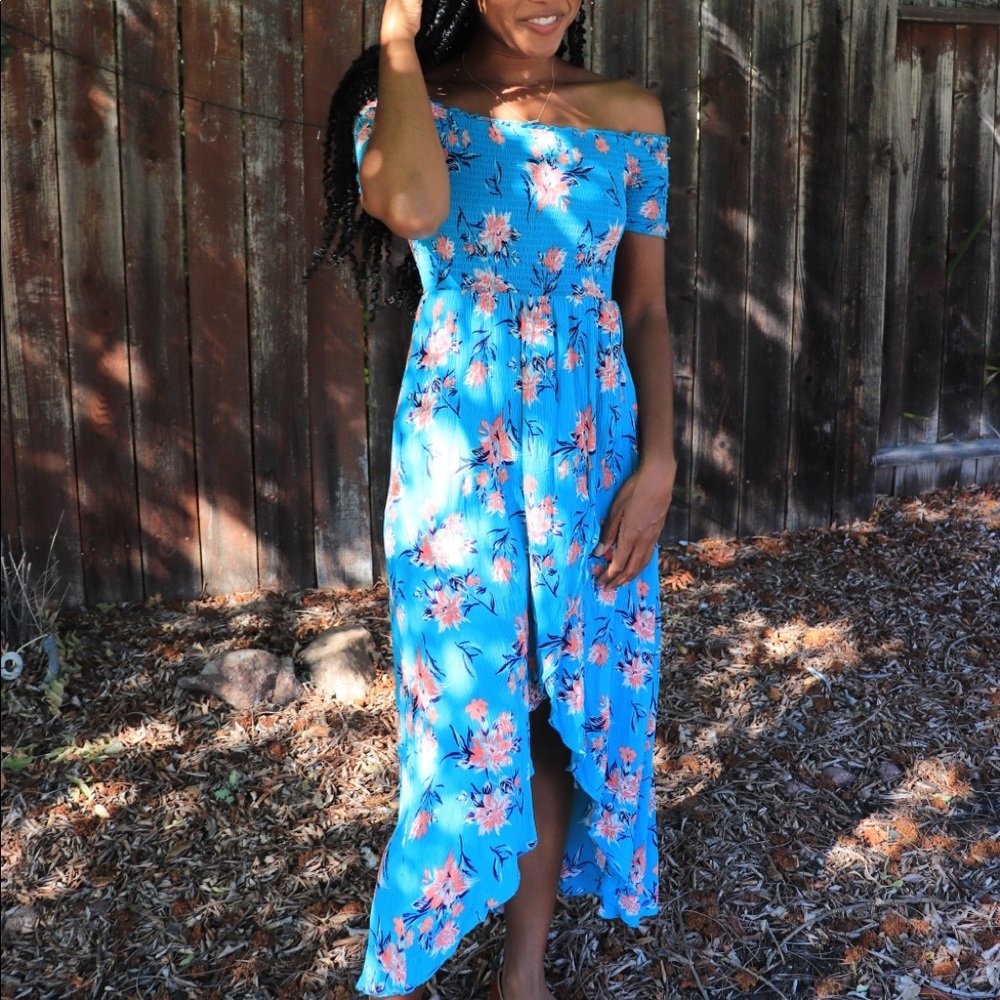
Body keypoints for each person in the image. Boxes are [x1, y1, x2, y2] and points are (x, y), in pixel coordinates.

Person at [311, 1, 676, 997]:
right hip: (460, 458)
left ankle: (523, 971)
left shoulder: (630, 113)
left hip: (594, 450)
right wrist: (393, 43)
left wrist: (660, 463)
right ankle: (422, 940)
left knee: (568, 708)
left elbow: (641, 304)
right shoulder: (410, 105)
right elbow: (416, 211)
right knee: (469, 707)